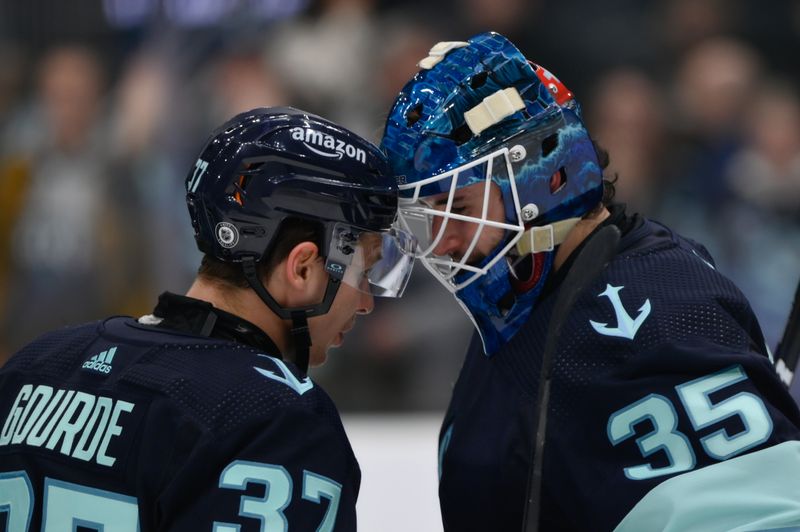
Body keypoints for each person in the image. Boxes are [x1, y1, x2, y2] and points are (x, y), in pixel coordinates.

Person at [380, 32, 800, 531]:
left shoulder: (659, 312)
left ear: (544, 176)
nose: (444, 242)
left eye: (460, 208)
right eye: (429, 216)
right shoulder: (525, 302)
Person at [0, 106, 415, 530]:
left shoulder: (33, 368)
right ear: (303, 268)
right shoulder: (273, 419)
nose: (366, 302)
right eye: (365, 271)